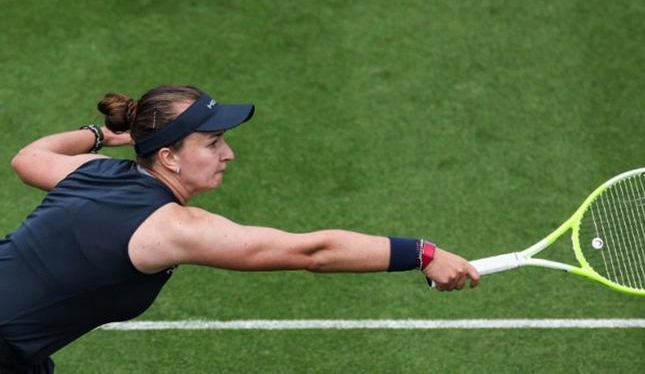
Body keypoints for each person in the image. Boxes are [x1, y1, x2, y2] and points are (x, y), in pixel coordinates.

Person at [0, 85, 480, 373]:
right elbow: (311, 252)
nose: (228, 155)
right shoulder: (173, 227)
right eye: (212, 144)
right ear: (168, 157)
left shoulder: (91, 171)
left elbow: (28, 158)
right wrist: (424, 254)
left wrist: (105, 135)